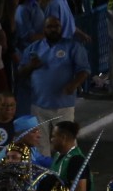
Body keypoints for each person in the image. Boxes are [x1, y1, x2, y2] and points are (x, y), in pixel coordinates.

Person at [20, 12, 89, 148]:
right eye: (49, 26)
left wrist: (73, 84)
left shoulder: (72, 47)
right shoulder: (33, 48)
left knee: (66, 143)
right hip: (39, 105)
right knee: (40, 145)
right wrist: (31, 66)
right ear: (44, 29)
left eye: (56, 26)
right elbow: (20, 73)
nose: (53, 29)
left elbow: (84, 70)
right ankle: (44, 168)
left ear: (61, 28)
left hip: (63, 106)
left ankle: (68, 168)